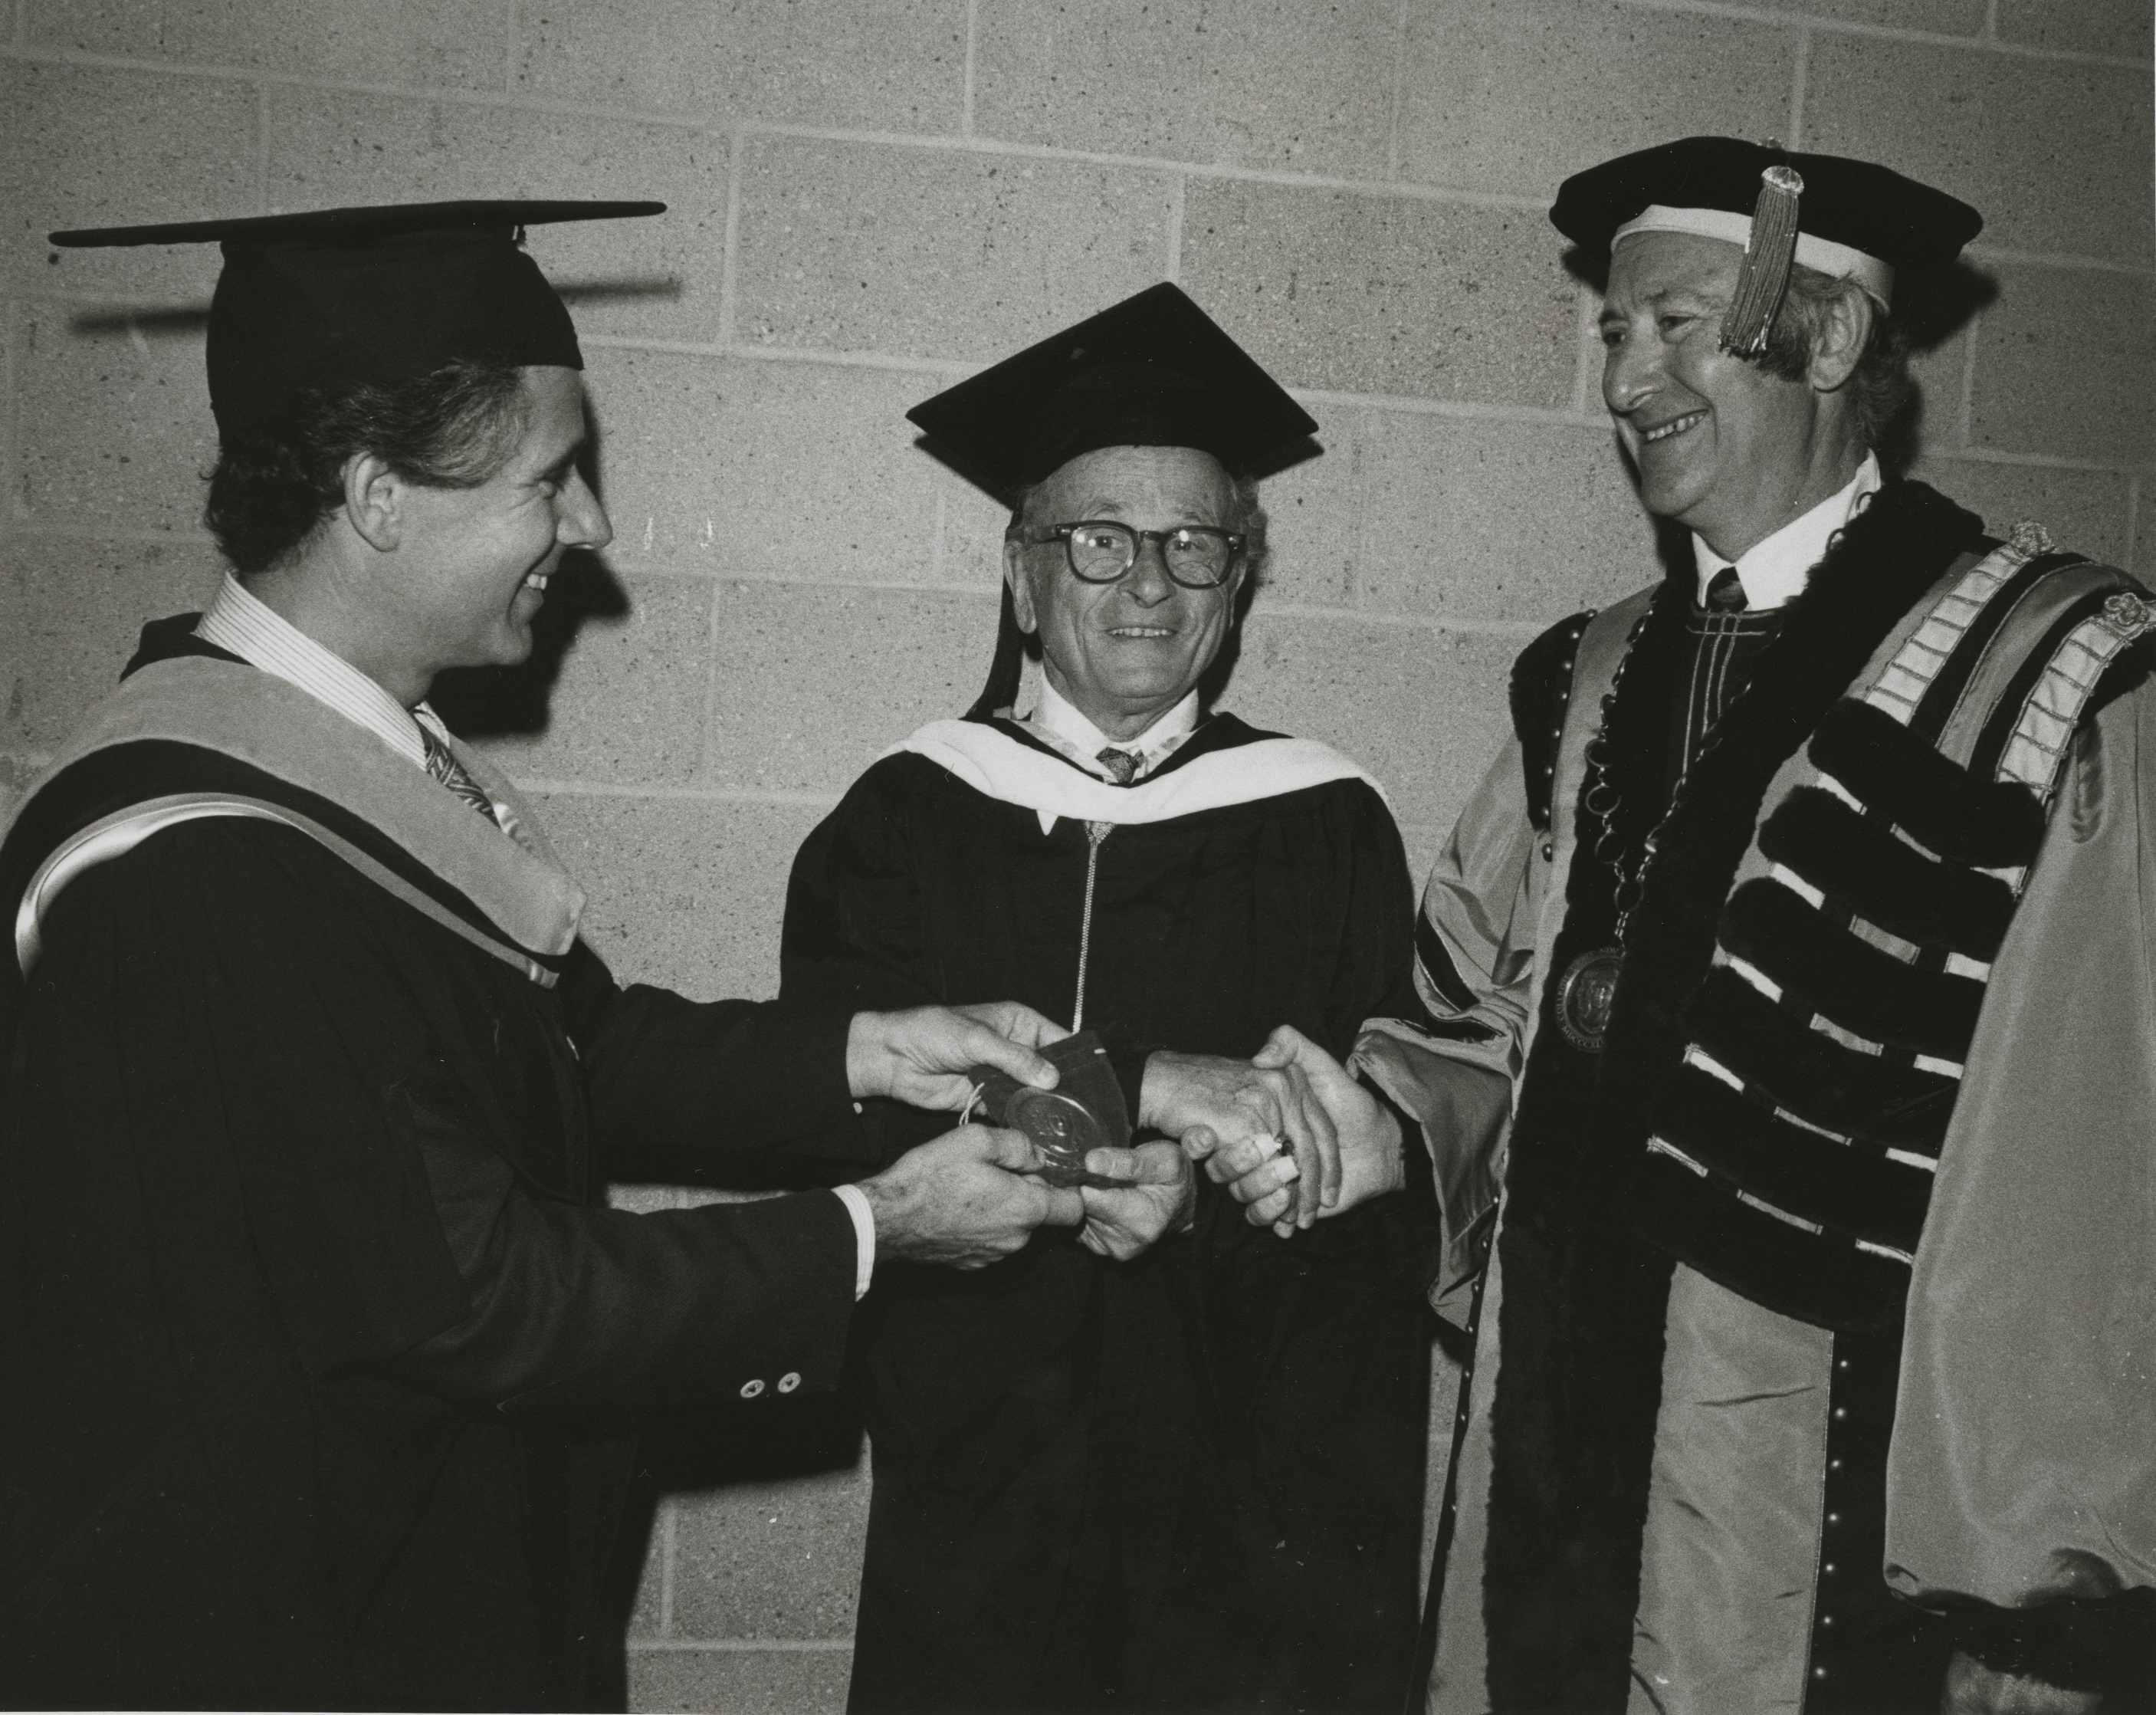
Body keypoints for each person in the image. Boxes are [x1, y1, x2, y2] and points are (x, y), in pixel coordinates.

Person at [0, 199, 1112, 1711]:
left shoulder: (369, 762)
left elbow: (575, 1049)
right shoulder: (203, 864)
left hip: (430, 1576)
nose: (590, 524)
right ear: (380, 498)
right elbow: (478, 1294)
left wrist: (869, 1048)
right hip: (293, 1638)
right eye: (550, 477)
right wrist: (873, 1229)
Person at [1239, 139, 2156, 1713]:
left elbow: (2081, 1179)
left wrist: (2040, 1601)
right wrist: (1388, 1125)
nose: (1624, 377)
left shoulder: (2047, 679)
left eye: (1675, 327)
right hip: (1553, 1477)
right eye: (1613, 332)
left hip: (1823, 1517)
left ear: (1836, 338)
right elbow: (1494, 1020)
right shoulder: (1582, 679)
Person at [775, 283, 1441, 1712]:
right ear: (1022, 579)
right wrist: (1132, 1101)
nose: (1149, 581)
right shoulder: (901, 822)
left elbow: (1376, 1184)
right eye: (1098, 539)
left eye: (1195, 542)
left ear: (1239, 580)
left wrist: (1229, 1205)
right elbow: (841, 1118)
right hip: (986, 1479)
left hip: (1242, 1477)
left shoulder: (1325, 824)